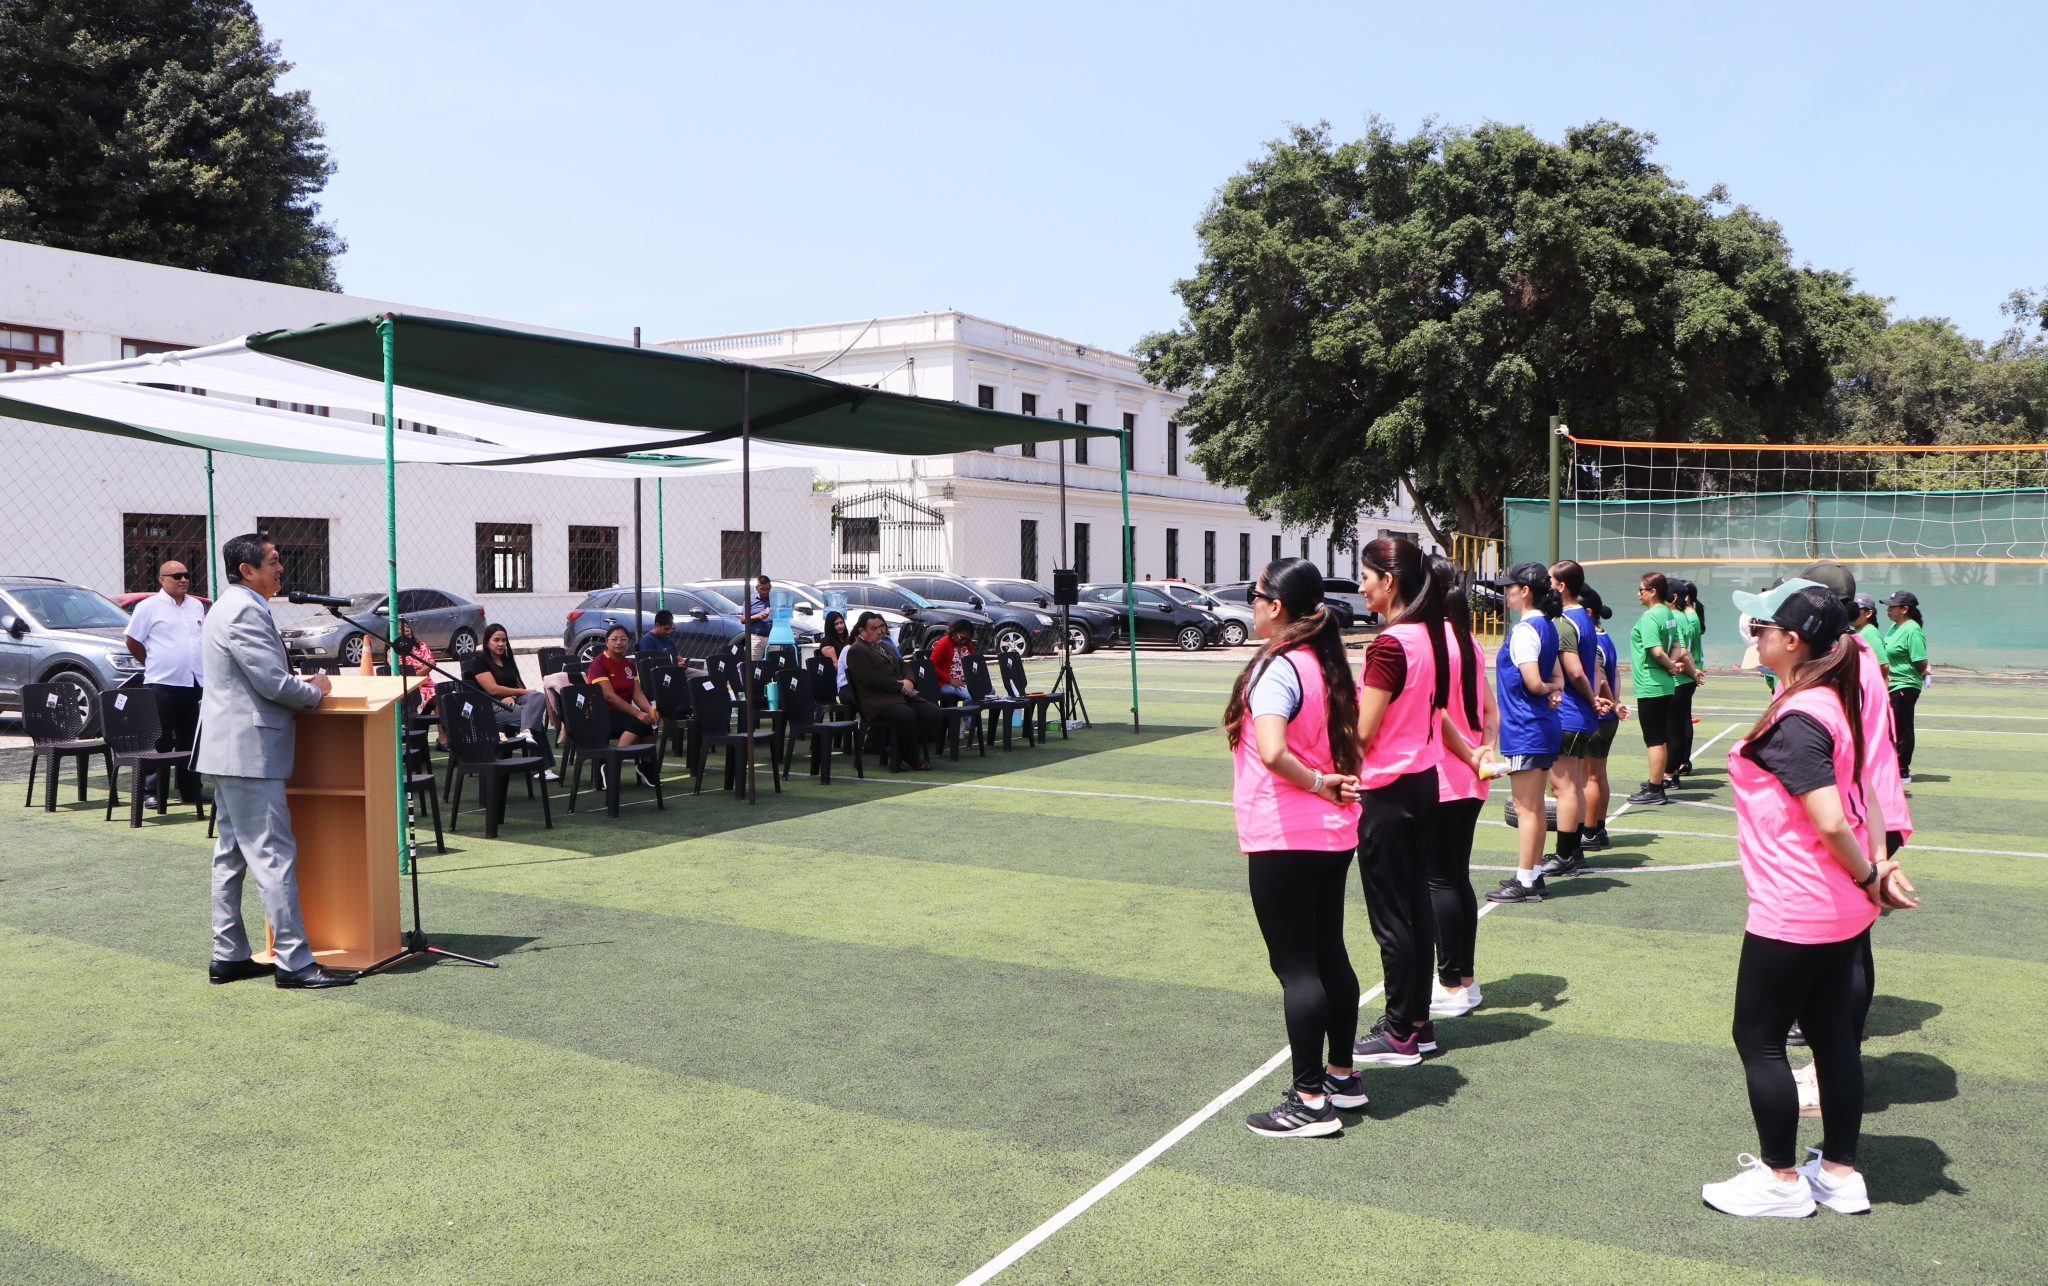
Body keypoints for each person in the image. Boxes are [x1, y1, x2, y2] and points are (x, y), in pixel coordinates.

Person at [1702, 581, 1917, 1219]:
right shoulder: (1829, 697)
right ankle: (1841, 1172)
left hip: (1800, 906)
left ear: (1791, 641)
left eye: (1761, 627)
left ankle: (1782, 1179)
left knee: (1759, 1037)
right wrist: (1873, 874)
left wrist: (1867, 871)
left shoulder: (1802, 715)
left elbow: (1829, 819)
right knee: (1832, 1037)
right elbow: (1868, 795)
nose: (1754, 635)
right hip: (1836, 909)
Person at [1226, 557, 1367, 1137]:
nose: (1252, 605)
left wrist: (1316, 781)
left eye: (1257, 597)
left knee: (1297, 966)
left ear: (1276, 607)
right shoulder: (1327, 663)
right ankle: (1341, 1075)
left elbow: (1276, 751)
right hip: (1332, 833)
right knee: (1328, 951)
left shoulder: (1281, 667)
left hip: (1287, 830)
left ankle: (1310, 1099)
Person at [195, 532, 352, 990]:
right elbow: (272, 684)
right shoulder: (243, 608)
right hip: (248, 753)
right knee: (273, 856)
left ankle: (229, 955)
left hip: (231, 750)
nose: (281, 568)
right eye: (274, 561)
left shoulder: (230, 606)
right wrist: (315, 690)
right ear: (248, 570)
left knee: (231, 856)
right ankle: (295, 963)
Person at [1351, 536, 1481, 1065]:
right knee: (1415, 909)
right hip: (1423, 780)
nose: (1360, 587)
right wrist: (1470, 756)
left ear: (1389, 581)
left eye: (1365, 576)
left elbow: (1362, 733)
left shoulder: (1392, 644)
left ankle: (1401, 1027)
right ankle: (1418, 1024)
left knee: (1393, 916)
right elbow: (1439, 717)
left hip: (1389, 787)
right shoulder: (1433, 636)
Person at [1428, 556, 1496, 1018]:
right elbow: (1490, 711)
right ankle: (1463, 980)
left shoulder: (1434, 641)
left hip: (1443, 774)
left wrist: (1472, 753)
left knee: (1439, 882)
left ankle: (1451, 982)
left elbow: (1436, 712)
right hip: (1471, 776)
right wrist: (1484, 751)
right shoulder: (1467, 638)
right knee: (1455, 878)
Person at [1486, 563, 1565, 905]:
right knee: (1531, 806)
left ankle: (1525, 880)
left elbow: (1534, 682)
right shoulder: (1546, 626)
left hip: (1525, 726)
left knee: (1526, 808)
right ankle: (1532, 873)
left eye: (1511, 587)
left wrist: (1545, 688)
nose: (1506, 592)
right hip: (1539, 726)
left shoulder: (1525, 630)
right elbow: (1556, 678)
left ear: (1525, 591)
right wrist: (1552, 688)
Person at [123, 557, 208, 808]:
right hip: (162, 683)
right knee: (158, 740)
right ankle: (149, 791)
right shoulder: (149, 607)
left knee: (190, 739)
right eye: (176, 576)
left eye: (186, 575)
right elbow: (132, 640)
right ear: (162, 580)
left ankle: (190, 789)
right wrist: (151, 663)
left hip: (192, 683)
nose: (183, 579)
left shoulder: (196, 606)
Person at [1542, 560, 1605, 879]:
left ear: (1562, 586)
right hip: (1580, 717)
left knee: (1563, 787)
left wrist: (1592, 699)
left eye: (1550, 580)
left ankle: (1565, 854)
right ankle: (1574, 849)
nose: (1547, 585)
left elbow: (1576, 670)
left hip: (1569, 714)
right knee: (1575, 785)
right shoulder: (1583, 617)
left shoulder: (1565, 621)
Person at [844, 611, 942, 769]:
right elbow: (872, 680)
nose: (879, 631)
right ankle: (912, 759)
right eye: (874, 628)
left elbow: (903, 664)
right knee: (907, 715)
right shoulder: (857, 650)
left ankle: (897, 751)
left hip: (900, 696)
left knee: (934, 713)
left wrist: (909, 680)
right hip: (878, 702)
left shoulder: (885, 645)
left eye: (881, 627)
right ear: (862, 631)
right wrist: (901, 686)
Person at [462, 623, 557, 780]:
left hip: (511, 703)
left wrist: (513, 696)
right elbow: (492, 689)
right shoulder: (479, 663)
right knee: (531, 716)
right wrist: (518, 693)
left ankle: (526, 732)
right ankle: (541, 768)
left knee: (538, 697)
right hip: (490, 707)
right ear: (487, 642)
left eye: (504, 640)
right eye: (496, 640)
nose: (501, 644)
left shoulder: (507, 661)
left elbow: (519, 685)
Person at [1626, 572, 1687, 806]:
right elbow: (1677, 646)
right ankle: (1656, 783)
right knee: (1659, 738)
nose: (1638, 593)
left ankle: (1655, 788)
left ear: (1653, 592)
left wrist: (1670, 665)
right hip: (1663, 683)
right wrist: (1672, 667)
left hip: (1651, 683)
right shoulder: (1668, 614)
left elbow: (1657, 651)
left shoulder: (1651, 616)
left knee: (1653, 739)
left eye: (1641, 589)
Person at [1578, 587, 1626, 852]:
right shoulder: (1605, 637)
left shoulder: (1591, 641)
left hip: (1598, 714)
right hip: (1608, 715)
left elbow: (1601, 679)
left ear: (1587, 613)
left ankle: (1588, 832)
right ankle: (1599, 826)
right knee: (1599, 774)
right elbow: (1616, 673)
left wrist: (1605, 701)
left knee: (1590, 778)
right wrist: (1616, 702)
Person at [586, 624, 661, 787]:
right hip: (602, 715)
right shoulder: (598, 664)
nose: (618, 642)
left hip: (623, 715)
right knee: (638, 722)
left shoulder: (629, 665)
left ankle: (645, 764)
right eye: (614, 639)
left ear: (628, 642)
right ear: (607, 642)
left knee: (652, 725)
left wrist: (650, 710)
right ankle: (612, 765)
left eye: (623, 639)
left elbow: (637, 694)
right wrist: (638, 714)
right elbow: (609, 696)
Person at [1882, 591, 1927, 784]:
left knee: (1902, 727)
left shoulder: (1912, 629)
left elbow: (1920, 661)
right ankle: (1892, 766)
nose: (1889, 609)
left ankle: (1902, 770)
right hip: (1892, 684)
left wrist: (1918, 673)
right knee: (1890, 727)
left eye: (1893, 606)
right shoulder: (1894, 627)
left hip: (1905, 685)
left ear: (1905, 609)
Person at [1668, 578, 1707, 783]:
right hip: (1691, 670)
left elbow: (1682, 651)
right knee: (1683, 720)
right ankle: (1679, 764)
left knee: (1675, 726)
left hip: (1683, 674)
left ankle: (1674, 768)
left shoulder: (1679, 617)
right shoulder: (1690, 616)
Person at [389, 618, 438, 713]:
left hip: (428, 685)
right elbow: (402, 675)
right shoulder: (393, 653)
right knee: (439, 699)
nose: (407, 629)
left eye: (408, 627)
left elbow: (431, 664)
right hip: (410, 689)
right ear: (394, 633)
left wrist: (413, 676)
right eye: (402, 628)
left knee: (447, 695)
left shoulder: (422, 646)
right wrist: (420, 673)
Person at [928, 619, 974, 700]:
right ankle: (967, 712)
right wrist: (949, 679)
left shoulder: (967, 644)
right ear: (954, 633)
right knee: (971, 696)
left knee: (991, 691)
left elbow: (972, 662)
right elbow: (931, 665)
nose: (964, 642)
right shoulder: (944, 643)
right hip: (945, 683)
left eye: (968, 639)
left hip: (964, 682)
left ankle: (973, 712)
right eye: (962, 638)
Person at [746, 575, 773, 662]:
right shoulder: (750, 599)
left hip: (773, 637)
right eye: (762, 589)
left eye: (767, 589)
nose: (765, 592)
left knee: (774, 665)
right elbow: (743, 619)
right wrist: (759, 616)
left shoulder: (775, 599)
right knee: (754, 666)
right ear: (756, 588)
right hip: (757, 637)